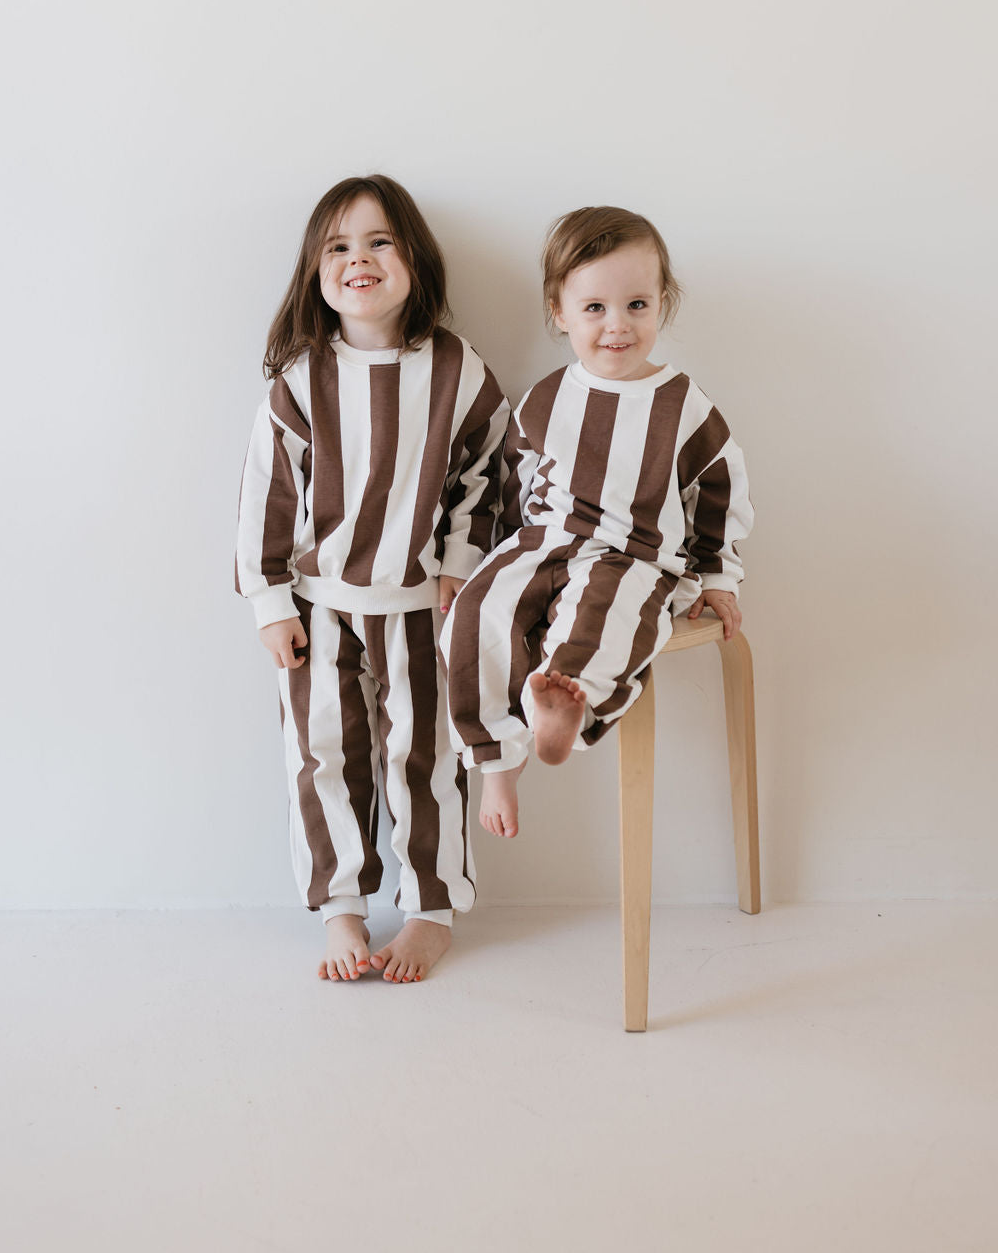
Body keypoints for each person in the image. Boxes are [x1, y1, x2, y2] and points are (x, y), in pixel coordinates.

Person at [236, 175, 509, 981]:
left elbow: (488, 475)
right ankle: (341, 908)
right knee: (322, 754)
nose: (360, 259)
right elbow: (268, 494)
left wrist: (460, 565)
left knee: (423, 756)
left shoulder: (457, 371)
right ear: (316, 273)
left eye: (380, 241)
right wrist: (268, 602)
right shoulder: (299, 380)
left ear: (415, 260)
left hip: (422, 606)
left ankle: (430, 907)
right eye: (340, 246)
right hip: (319, 608)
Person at [442, 205, 753, 840]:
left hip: (633, 553)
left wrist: (719, 576)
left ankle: (565, 703)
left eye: (637, 305)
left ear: (661, 303)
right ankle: (497, 761)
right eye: (595, 309)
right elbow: (514, 482)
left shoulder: (684, 406)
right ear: (559, 312)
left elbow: (716, 495)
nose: (617, 325)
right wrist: (492, 563)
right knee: (476, 615)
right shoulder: (547, 397)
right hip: (543, 540)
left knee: (606, 620)